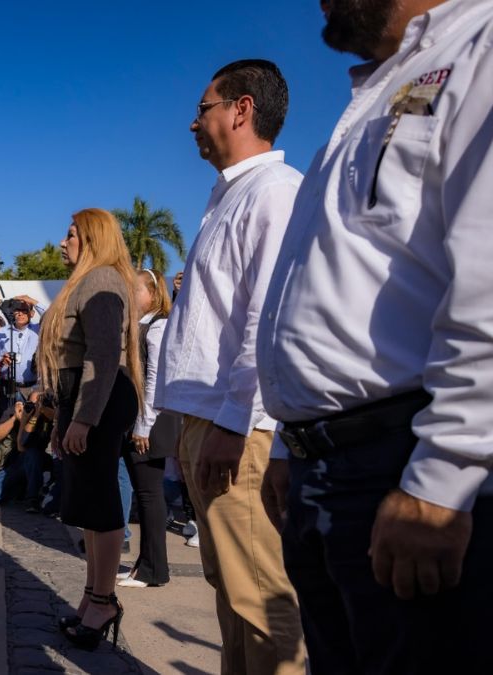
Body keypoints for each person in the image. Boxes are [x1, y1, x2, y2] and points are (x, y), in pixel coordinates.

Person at [258, 2, 493, 672]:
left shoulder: (480, 46)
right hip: (326, 471)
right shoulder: (379, 90)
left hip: (406, 461)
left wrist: (443, 476)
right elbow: (322, 285)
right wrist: (287, 440)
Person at [155, 59, 305, 674]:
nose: (194, 123)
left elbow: (266, 320)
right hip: (210, 420)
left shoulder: (273, 191)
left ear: (241, 110)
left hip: (235, 428)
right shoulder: (230, 195)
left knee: (260, 598)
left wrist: (236, 420)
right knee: (230, 593)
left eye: (204, 108)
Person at [37, 208, 141, 651]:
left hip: (97, 395)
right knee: (89, 510)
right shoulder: (88, 281)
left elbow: (101, 355)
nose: (63, 242)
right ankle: (93, 597)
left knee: (101, 507)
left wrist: (83, 418)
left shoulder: (100, 281)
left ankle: (103, 600)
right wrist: (66, 419)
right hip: (83, 397)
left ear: (93, 239)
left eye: (71, 235)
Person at [118, 269, 176, 589]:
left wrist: (143, 426)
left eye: (136, 290)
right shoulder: (140, 325)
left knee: (150, 495)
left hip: (149, 423)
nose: (131, 296)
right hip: (139, 421)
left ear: (152, 294)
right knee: (145, 494)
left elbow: (155, 379)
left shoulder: (158, 326)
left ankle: (154, 569)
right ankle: (145, 564)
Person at [0, 299, 40, 412]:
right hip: (9, 387)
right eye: (17, 310)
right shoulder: (2, 332)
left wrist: (32, 301)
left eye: (24, 310)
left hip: (32, 388)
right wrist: (2, 361)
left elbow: (49, 315)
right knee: (8, 422)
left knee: (29, 423)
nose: (20, 313)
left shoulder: (38, 329)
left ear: (31, 314)